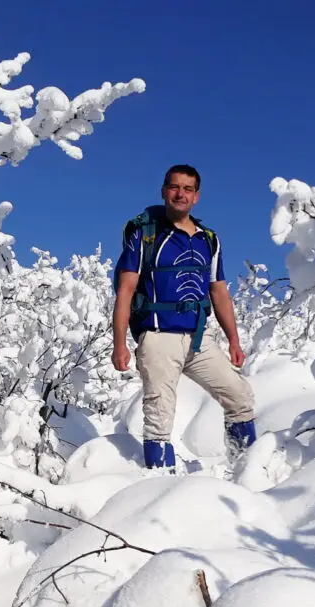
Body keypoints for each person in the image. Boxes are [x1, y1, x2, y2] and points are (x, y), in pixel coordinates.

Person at [111, 163, 257, 470]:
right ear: (164, 191)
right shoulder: (146, 235)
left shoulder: (209, 240)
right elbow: (125, 290)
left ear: (197, 196)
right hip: (158, 336)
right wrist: (120, 343)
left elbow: (219, 292)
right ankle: (160, 484)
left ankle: (246, 470)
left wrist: (234, 340)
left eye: (188, 189)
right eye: (175, 187)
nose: (181, 194)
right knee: (159, 416)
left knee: (239, 397)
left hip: (198, 338)